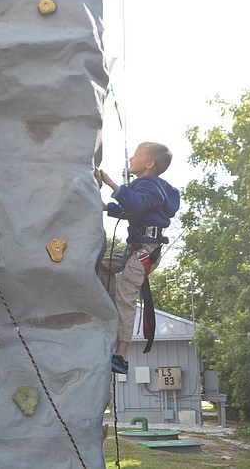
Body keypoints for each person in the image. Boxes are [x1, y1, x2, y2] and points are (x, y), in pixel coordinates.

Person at [100, 142, 180, 374]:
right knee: (102, 266)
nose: (130, 159)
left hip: (145, 249)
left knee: (127, 296)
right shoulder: (147, 187)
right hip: (136, 248)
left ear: (149, 164)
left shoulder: (149, 185)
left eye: (135, 156)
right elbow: (134, 210)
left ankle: (121, 355)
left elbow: (136, 204)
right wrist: (108, 208)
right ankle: (111, 311)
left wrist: (112, 184)